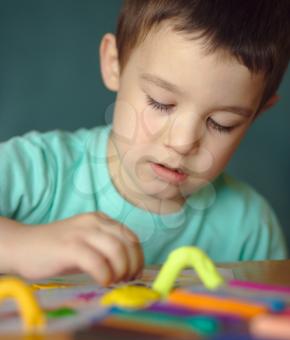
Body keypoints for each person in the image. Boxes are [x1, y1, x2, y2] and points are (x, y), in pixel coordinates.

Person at [0, 0, 289, 286]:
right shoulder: (38, 170)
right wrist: (23, 244)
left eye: (221, 123)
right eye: (160, 103)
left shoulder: (249, 228)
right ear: (114, 64)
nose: (182, 143)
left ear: (257, 113)